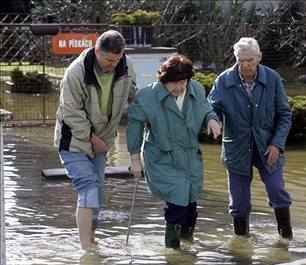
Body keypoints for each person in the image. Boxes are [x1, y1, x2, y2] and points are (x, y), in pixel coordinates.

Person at [127, 53, 222, 249]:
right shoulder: (147, 97)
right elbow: (134, 126)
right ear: (163, 80)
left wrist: (212, 120)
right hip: (161, 156)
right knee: (178, 202)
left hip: (189, 156)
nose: (179, 88)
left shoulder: (195, 89)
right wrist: (135, 159)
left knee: (190, 205)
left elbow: (206, 109)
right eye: (173, 83)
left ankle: (188, 247)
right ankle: (173, 252)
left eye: (183, 82)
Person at [54, 30, 137, 250]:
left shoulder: (126, 66)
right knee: (88, 187)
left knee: (98, 193)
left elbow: (134, 96)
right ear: (97, 51)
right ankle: (86, 251)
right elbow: (70, 112)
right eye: (110, 59)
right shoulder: (76, 72)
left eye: (118, 59)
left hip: (101, 142)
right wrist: (92, 138)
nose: (114, 64)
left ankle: (92, 239)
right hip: (73, 142)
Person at [207, 37, 293, 240]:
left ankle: (286, 239)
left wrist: (276, 144)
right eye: (240, 60)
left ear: (259, 58)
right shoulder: (223, 80)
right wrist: (213, 121)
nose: (245, 65)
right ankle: (241, 250)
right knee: (239, 203)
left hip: (267, 146)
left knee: (277, 191)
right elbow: (211, 107)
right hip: (237, 148)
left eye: (250, 60)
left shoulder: (272, 79)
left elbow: (284, 114)